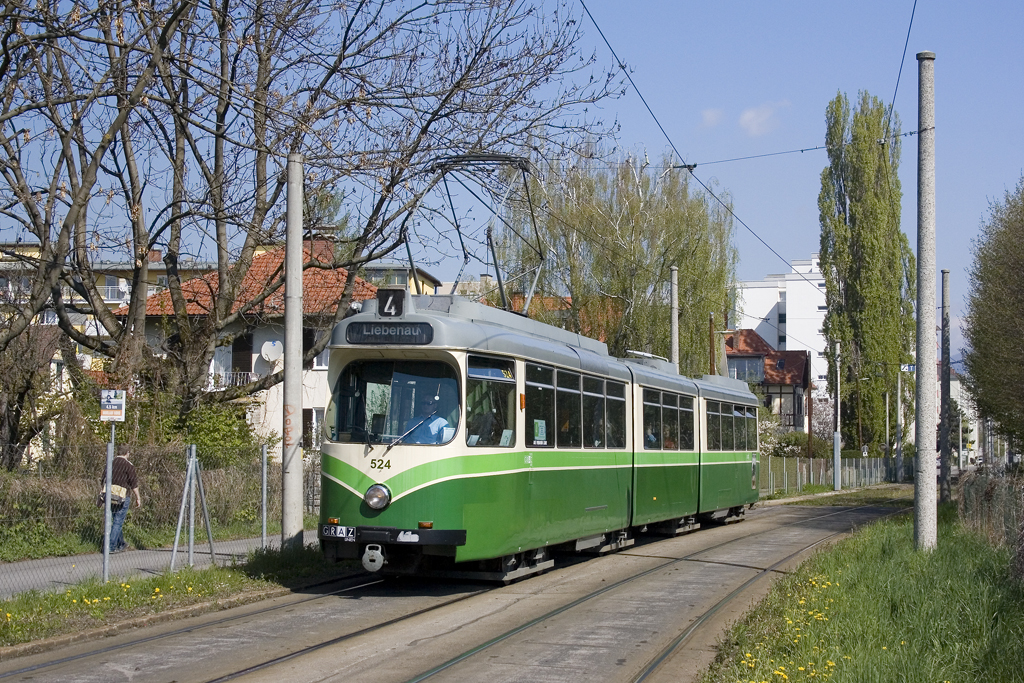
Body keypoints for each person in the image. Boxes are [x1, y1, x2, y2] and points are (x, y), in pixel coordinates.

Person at [101, 444, 142, 553]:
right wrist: (138, 497)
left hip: (110, 495)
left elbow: (103, 479)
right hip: (122, 496)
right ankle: (110, 546)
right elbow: (133, 483)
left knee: (115, 520)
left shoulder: (110, 463)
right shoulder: (128, 465)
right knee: (118, 521)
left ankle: (121, 543)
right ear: (127, 453)